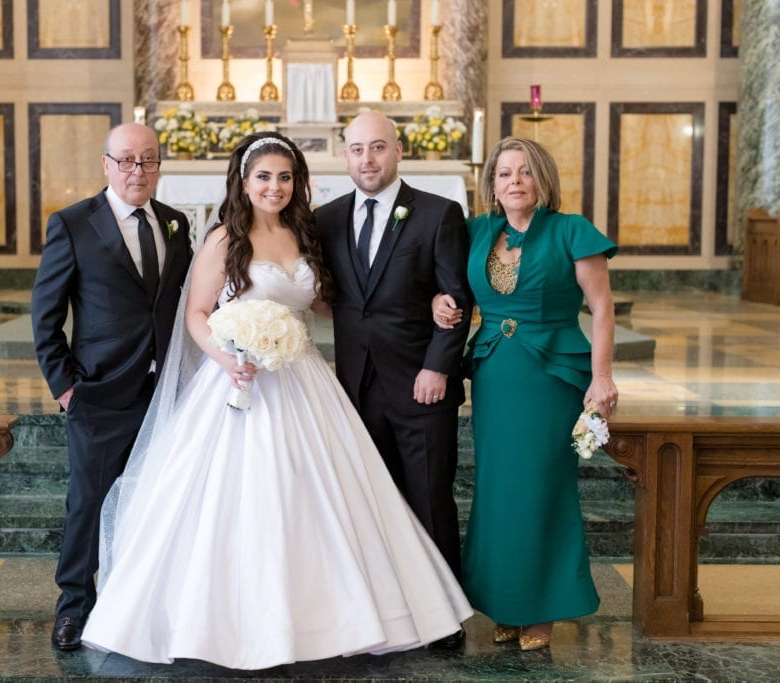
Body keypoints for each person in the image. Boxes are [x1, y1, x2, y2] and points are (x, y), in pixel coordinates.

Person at [79, 132, 472, 670]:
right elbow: (195, 314)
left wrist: (424, 297)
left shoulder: (306, 235)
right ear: (244, 182)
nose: (275, 187)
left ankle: (340, 618)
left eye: (285, 177)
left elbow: (338, 302)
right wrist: (227, 358)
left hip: (305, 378)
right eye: (264, 177)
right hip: (239, 381)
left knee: (326, 497)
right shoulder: (224, 239)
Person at [433, 136, 618, 651]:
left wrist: (602, 377)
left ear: (542, 179)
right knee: (496, 488)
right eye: (503, 174)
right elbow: (447, 283)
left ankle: (541, 610)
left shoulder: (571, 231)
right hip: (494, 371)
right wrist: (440, 302)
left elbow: (602, 309)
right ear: (492, 185)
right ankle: (507, 605)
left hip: (552, 375)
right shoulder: (476, 231)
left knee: (542, 486)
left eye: (524, 172)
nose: (513, 181)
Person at [313, 111, 474, 649]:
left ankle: (446, 615)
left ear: (398, 150)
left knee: (429, 496)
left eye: (377, 148)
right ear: (345, 156)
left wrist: (438, 366)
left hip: (420, 383)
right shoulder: (327, 219)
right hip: (353, 388)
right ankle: (389, 609)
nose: (367, 160)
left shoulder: (438, 214)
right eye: (357, 150)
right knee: (373, 502)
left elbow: (458, 295)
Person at [31, 122, 192, 651]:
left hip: (164, 392)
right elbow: (46, 317)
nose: (137, 171)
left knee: (156, 503)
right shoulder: (73, 224)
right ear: (106, 164)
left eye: (148, 160)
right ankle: (74, 607)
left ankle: (140, 607)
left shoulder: (175, 224)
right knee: (89, 503)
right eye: (126, 160)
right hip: (98, 392)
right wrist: (66, 387)